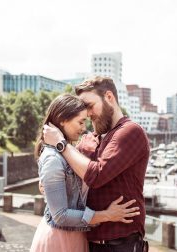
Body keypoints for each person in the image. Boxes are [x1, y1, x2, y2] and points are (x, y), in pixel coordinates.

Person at [43, 77, 150, 252]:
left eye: (90, 105)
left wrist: (60, 144)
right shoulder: (89, 138)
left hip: (121, 244)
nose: (88, 113)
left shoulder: (130, 131)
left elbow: (97, 175)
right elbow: (67, 172)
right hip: (89, 242)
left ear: (109, 97)